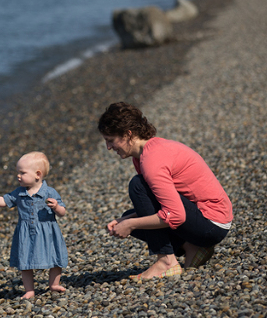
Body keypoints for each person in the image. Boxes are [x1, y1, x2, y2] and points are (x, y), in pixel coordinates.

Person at [98, 102, 233, 280]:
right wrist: (125, 220)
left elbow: (175, 215)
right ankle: (192, 247)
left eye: (111, 140)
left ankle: (166, 262)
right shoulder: (149, 151)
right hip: (208, 220)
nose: (108, 147)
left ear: (128, 134)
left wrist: (131, 224)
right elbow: (160, 202)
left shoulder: (152, 161)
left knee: (137, 186)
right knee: (129, 214)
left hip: (211, 224)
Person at [0, 151, 68, 299]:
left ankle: (54, 284)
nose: (18, 176)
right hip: (26, 232)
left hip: (48, 232)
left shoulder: (49, 192)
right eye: (18, 172)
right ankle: (29, 290)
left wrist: (56, 207)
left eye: (22, 172)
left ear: (37, 174)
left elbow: (62, 212)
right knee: (25, 261)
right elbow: (4, 200)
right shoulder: (19, 193)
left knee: (55, 257)